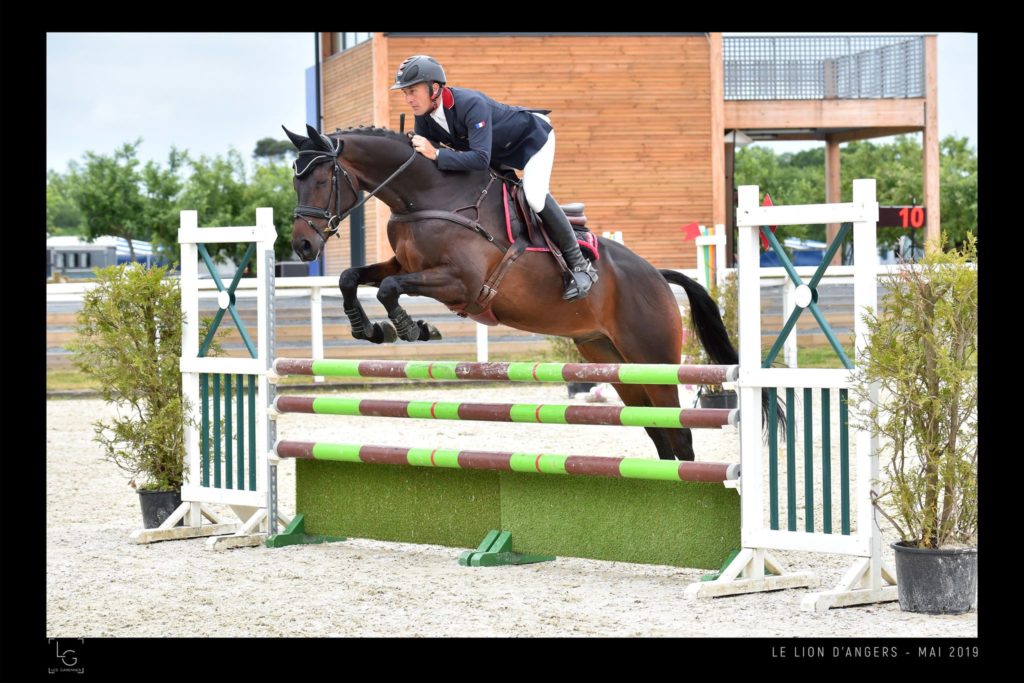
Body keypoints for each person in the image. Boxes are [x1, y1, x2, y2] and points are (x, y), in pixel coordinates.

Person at [392, 54, 598, 301]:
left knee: (533, 194)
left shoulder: (470, 103)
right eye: (405, 93)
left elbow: (478, 159)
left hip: (532, 140)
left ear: (434, 88)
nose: (408, 99)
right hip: (498, 153)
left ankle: (579, 265)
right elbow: (431, 165)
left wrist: (436, 153)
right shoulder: (424, 116)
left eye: (412, 91)